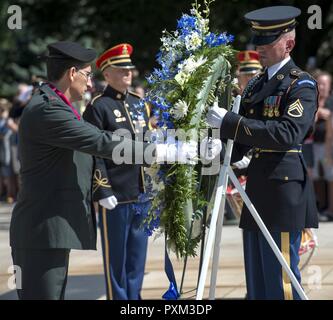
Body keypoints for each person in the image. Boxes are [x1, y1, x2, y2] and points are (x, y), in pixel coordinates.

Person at [9, 41, 199, 300]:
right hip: (42, 231)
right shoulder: (49, 109)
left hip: (48, 229)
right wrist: (162, 153)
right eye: (87, 75)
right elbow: (102, 141)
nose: (89, 84)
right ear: (72, 73)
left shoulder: (56, 104)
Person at [207, 6, 319, 299]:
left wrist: (231, 123)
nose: (260, 48)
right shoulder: (257, 83)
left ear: (289, 44)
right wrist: (218, 149)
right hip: (256, 189)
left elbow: (287, 133)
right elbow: (241, 137)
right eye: (258, 41)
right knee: (257, 281)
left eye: (267, 42)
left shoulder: (301, 84)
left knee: (280, 280)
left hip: (282, 193)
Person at [83, 43, 151, 300]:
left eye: (129, 69)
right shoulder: (98, 107)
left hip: (141, 193)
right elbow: (93, 151)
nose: (128, 74)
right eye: (121, 70)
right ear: (107, 74)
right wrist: (101, 188)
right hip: (116, 194)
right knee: (117, 261)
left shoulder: (139, 104)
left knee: (137, 258)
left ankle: (134, 301)